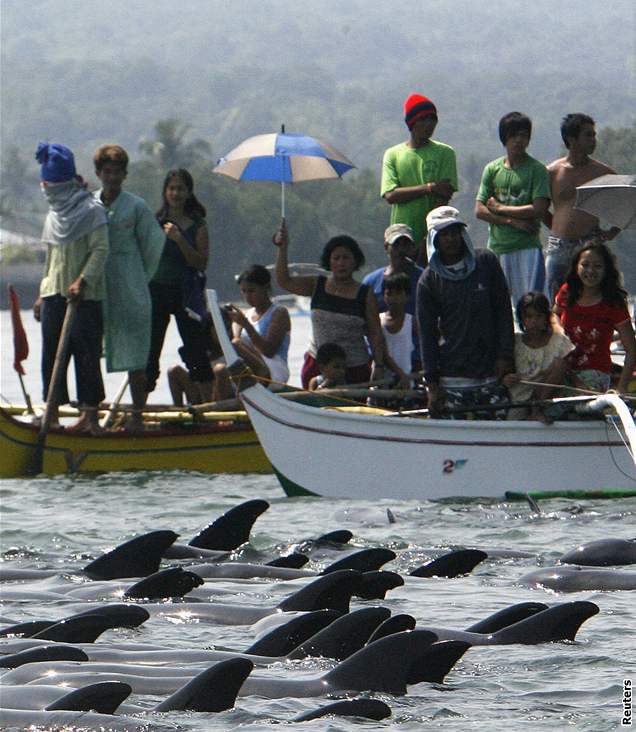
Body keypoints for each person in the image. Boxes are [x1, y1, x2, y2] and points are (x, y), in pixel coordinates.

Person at [33, 142, 109, 433]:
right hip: (54, 294)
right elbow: (51, 257)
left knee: (87, 355)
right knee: (51, 355)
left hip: (84, 297)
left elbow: (100, 250)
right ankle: (51, 412)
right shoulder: (53, 215)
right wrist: (42, 293)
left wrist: (82, 280)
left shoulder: (91, 210)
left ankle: (90, 417)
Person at [273, 219, 398, 389]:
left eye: (346, 257)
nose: (341, 263)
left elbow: (375, 333)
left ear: (355, 261)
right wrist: (282, 248)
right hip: (318, 365)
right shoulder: (317, 284)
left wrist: (379, 365)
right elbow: (284, 281)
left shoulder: (364, 293)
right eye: (336, 258)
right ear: (329, 262)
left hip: (354, 370)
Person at [417, 205, 515, 419]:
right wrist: (432, 384)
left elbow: (504, 312)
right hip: (452, 377)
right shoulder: (428, 281)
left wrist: (505, 355)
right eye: (444, 234)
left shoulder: (486, 262)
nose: (450, 239)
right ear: (434, 239)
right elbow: (427, 334)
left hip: (491, 371)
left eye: (455, 232)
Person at [93, 144, 165, 430]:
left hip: (131, 283)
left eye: (117, 172)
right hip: (97, 285)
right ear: (99, 173)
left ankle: (137, 413)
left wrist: (137, 277)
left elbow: (154, 244)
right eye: (106, 172)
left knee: (138, 355)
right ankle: (92, 413)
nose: (111, 178)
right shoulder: (90, 204)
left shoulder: (136, 206)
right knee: (90, 350)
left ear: (124, 175)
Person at [146, 169, 213, 401]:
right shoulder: (154, 222)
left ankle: (211, 407)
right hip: (157, 290)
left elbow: (201, 263)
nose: (176, 193)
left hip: (187, 293)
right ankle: (139, 410)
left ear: (188, 192)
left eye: (180, 188)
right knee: (150, 351)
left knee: (196, 351)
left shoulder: (198, 225)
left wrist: (179, 239)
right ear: (165, 191)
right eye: (171, 188)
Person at [475, 112, 551, 308]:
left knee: (532, 305)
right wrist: (512, 221)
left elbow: (539, 208)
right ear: (504, 137)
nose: (519, 140)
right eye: (514, 135)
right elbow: (480, 210)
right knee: (499, 306)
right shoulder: (492, 170)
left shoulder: (536, 169)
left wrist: (500, 208)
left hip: (527, 248)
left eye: (524, 135)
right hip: (498, 248)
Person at [543, 113, 620, 301]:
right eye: (588, 135)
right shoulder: (553, 171)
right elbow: (540, 207)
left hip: (590, 243)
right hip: (559, 245)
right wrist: (557, 228)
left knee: (592, 297)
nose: (593, 140)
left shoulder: (603, 173)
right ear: (571, 139)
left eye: (593, 135)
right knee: (555, 297)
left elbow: (624, 202)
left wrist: (612, 232)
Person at [381, 94, 458, 263]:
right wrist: (429, 187)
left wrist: (427, 239)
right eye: (423, 119)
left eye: (433, 119)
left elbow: (444, 195)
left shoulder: (445, 153)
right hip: (401, 238)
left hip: (435, 238)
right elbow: (391, 195)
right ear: (411, 122)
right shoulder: (393, 154)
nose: (429, 124)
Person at [554, 242, 636, 395]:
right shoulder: (567, 291)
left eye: (597, 266)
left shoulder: (613, 302)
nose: (590, 271)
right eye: (585, 265)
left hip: (594, 373)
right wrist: (559, 330)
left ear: (606, 270)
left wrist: (622, 387)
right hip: (562, 368)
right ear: (576, 266)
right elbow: (554, 316)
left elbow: (631, 350)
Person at [212, 264, 291, 401]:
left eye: (252, 291)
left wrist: (246, 325)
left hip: (274, 371)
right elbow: (234, 346)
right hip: (249, 369)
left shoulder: (279, 312)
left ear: (265, 288)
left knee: (236, 343)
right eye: (244, 291)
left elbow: (268, 350)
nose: (247, 296)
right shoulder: (246, 315)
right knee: (220, 370)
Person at [503, 291, 574, 421]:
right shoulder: (515, 342)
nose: (534, 321)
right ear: (521, 318)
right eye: (529, 317)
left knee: (559, 364)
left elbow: (567, 370)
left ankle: (537, 409)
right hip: (520, 397)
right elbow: (505, 371)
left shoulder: (558, 341)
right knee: (513, 423)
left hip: (548, 396)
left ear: (546, 317)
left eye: (539, 316)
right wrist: (507, 378)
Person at [362, 223, 423, 371]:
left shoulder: (424, 279)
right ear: (386, 247)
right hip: (380, 359)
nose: (401, 251)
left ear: (413, 248)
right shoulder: (371, 282)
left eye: (406, 245)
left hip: (415, 359)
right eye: (396, 245)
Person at [377, 273, 413, 388]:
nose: (393, 298)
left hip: (406, 383)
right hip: (381, 383)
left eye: (398, 293)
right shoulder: (377, 321)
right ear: (384, 296)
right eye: (389, 294)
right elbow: (381, 353)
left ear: (407, 296)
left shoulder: (413, 322)